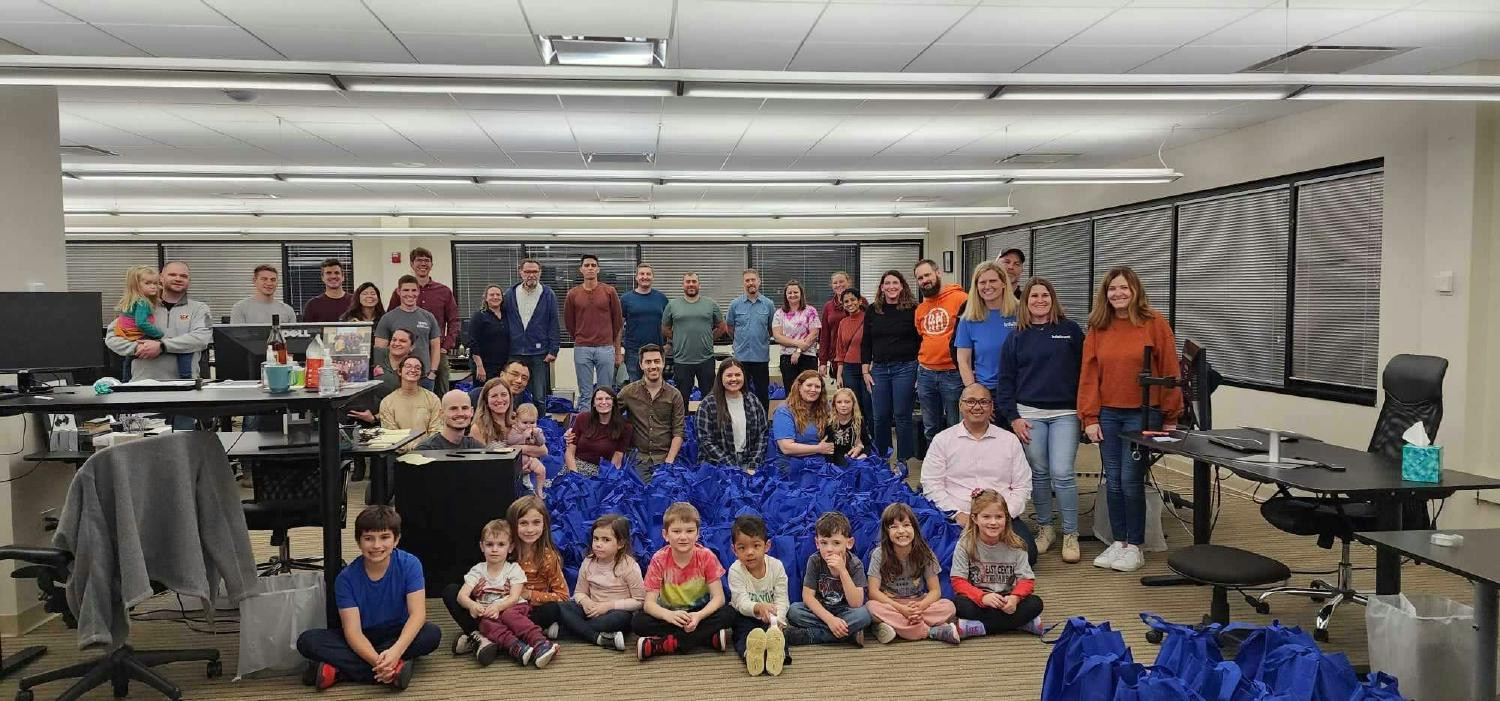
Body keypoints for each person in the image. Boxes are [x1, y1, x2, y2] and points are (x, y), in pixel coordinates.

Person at [1080, 266, 1181, 574]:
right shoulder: (1099, 326)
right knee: (1112, 480)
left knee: (1130, 480)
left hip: (1142, 411)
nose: (1118, 294)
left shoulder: (1154, 323)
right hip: (1109, 413)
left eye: (1124, 288)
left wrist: (1170, 416)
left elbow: (1170, 370)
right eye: (1112, 289)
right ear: (1105, 294)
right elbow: (1089, 374)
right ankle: (1119, 541)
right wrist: (1089, 416)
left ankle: (1135, 545)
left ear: (1135, 290)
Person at [296, 505, 440, 691]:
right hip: (362, 636)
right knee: (307, 641)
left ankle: (340, 672)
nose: (377, 545)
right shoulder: (346, 578)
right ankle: (393, 671)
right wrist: (378, 661)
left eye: (384, 537)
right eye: (368, 539)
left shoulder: (410, 564)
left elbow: (418, 614)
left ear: (396, 540)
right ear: (358, 541)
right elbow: (353, 632)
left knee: (431, 634)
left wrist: (396, 651)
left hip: (396, 632)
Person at [997, 277, 1086, 564]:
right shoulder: (1016, 336)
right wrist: (1013, 418)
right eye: (1034, 296)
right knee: (1039, 473)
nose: (1039, 300)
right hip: (1029, 415)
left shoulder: (1070, 330)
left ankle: (1070, 533)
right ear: (1026, 301)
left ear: (1052, 299)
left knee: (1062, 472)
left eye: (1044, 295)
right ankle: (1046, 528)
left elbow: (1086, 373)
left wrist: (1087, 412)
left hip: (1065, 414)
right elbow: (1005, 381)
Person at [919, 384, 1037, 564]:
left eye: (983, 402)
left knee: (1028, 554)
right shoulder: (942, 440)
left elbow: (1023, 485)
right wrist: (957, 514)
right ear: (960, 405)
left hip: (1000, 518)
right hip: (957, 518)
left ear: (991, 407)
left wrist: (1003, 516)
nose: (977, 407)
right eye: (971, 401)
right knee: (938, 558)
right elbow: (931, 483)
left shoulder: (1009, 440)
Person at [103, 261, 213, 430]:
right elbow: (112, 337)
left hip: (185, 391)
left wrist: (162, 346)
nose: (178, 279)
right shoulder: (141, 304)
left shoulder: (198, 309)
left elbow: (201, 338)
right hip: (143, 389)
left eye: (183, 276)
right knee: (145, 447)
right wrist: (137, 348)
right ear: (161, 278)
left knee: (183, 446)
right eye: (172, 274)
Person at [447, 519, 559, 668]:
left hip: (513, 608)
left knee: (509, 615)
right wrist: (472, 605)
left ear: (510, 547)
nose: (494, 549)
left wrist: (499, 607)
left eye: (501, 545)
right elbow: (461, 596)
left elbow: (514, 597)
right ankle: (516, 647)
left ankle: (540, 643)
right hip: (490, 613)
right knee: (485, 625)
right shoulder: (478, 570)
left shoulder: (513, 569)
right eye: (489, 544)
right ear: (482, 547)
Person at [632, 502, 736, 660]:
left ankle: (664, 644)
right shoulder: (659, 559)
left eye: (689, 531)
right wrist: (668, 615)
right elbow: (649, 604)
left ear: (698, 533)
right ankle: (705, 638)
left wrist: (699, 616)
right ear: (665, 535)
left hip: (699, 613)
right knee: (638, 621)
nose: (683, 537)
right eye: (676, 531)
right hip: (670, 615)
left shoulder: (706, 556)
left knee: (730, 613)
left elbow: (719, 598)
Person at [949, 489, 1046, 638]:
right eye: (986, 517)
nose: (993, 522)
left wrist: (1015, 598)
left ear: (1006, 518)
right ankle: (1020, 623)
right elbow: (958, 581)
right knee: (960, 605)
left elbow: (1027, 580)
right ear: (974, 518)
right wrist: (982, 597)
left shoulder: (1017, 545)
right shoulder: (965, 544)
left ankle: (978, 627)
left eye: (999, 517)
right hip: (980, 600)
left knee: (1036, 603)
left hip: (1007, 599)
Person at [866, 502, 960, 644]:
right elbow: (873, 592)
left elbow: (935, 591)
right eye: (894, 527)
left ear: (915, 528)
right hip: (892, 604)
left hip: (917, 602)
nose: (901, 531)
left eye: (906, 525)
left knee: (949, 606)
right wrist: (902, 609)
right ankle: (931, 631)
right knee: (871, 607)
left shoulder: (925, 553)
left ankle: (893, 627)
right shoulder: (879, 555)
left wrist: (920, 607)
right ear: (886, 531)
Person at [556, 514, 644, 651]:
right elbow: (579, 592)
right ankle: (598, 637)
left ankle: (567, 630)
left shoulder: (629, 566)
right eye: (595, 539)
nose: (598, 544)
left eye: (606, 540)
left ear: (620, 543)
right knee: (560, 607)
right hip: (591, 610)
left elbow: (639, 601)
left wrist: (607, 606)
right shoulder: (588, 562)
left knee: (620, 619)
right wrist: (586, 603)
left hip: (615, 612)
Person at [786, 511, 872, 647]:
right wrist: (830, 620)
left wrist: (843, 571)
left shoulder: (855, 564)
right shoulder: (815, 561)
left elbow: (856, 603)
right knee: (794, 611)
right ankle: (848, 635)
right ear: (817, 543)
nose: (829, 549)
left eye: (836, 543)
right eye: (824, 543)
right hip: (821, 611)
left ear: (849, 543)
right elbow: (808, 597)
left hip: (845, 611)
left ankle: (810, 636)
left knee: (864, 615)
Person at [861, 270, 920, 464]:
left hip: (906, 368)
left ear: (902, 286)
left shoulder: (913, 309)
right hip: (879, 370)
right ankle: (882, 459)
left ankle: (903, 460)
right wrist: (865, 370)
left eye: (895, 282)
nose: (891, 286)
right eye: (887, 283)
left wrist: (920, 369)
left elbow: (921, 341)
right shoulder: (873, 310)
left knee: (902, 415)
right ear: (882, 287)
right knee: (880, 417)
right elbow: (866, 342)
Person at [727, 514, 794, 677]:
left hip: (771, 616)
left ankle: (778, 656)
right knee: (743, 636)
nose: (749, 552)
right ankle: (751, 656)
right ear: (734, 549)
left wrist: (779, 619)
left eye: (756, 546)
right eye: (742, 548)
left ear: (767, 546)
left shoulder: (776, 566)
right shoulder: (735, 570)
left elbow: (782, 598)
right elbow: (741, 602)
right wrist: (758, 607)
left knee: (776, 636)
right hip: (745, 616)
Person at [385, 248, 460, 394]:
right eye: (419, 260)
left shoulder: (444, 291)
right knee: (403, 392)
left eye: (427, 260)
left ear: (432, 265)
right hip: (405, 353)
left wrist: (446, 346)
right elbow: (391, 319)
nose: (423, 264)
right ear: (412, 264)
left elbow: (454, 320)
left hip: (437, 352)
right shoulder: (400, 292)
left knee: (440, 394)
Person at [913, 258, 967, 441]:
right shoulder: (920, 309)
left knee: (956, 425)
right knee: (930, 428)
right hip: (925, 373)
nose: (924, 280)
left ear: (938, 273)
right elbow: (923, 335)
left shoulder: (961, 299)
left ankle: (956, 468)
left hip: (952, 374)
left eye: (927, 275)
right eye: (920, 278)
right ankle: (935, 467)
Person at [615, 344, 685, 479]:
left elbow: (678, 431)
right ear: (641, 365)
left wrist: (669, 463)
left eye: (657, 361)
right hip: (638, 459)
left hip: (665, 458)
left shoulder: (674, 395)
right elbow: (607, 415)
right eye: (648, 362)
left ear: (663, 363)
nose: (653, 366)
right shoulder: (628, 392)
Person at [113, 265, 192, 381]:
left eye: (155, 284)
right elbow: (141, 323)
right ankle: (186, 378)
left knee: (129, 359)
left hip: (128, 334)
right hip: (138, 335)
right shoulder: (143, 303)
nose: (153, 287)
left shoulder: (133, 302)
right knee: (184, 351)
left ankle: (126, 379)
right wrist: (158, 334)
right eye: (148, 283)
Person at [955, 260, 1020, 395]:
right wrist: (975, 394)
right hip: (986, 392)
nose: (987, 286)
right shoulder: (968, 319)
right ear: (976, 286)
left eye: (993, 281)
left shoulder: (1021, 313)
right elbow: (963, 361)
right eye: (982, 282)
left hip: (1019, 391)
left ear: (1003, 283)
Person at [564, 254, 623, 401]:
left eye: (593, 265)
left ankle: (605, 424)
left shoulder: (609, 292)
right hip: (582, 348)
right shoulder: (573, 294)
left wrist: (617, 352)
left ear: (598, 269)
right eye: (587, 265)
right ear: (581, 269)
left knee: (606, 394)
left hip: (605, 348)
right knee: (586, 395)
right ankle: (587, 423)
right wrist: (580, 337)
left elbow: (617, 323)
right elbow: (569, 323)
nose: (590, 268)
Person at [508, 496, 569, 634]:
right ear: (512, 525)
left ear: (544, 525)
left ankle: (509, 633)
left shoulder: (548, 557)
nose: (530, 529)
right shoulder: (503, 551)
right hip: (503, 607)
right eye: (523, 523)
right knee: (454, 592)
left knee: (553, 609)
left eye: (536, 522)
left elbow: (563, 596)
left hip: (532, 612)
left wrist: (529, 594)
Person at [694, 359, 767, 473]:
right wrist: (732, 468)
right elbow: (705, 441)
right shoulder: (708, 404)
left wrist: (753, 465)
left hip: (749, 463)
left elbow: (762, 434)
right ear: (720, 378)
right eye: (729, 375)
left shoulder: (753, 401)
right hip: (717, 467)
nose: (734, 379)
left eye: (738, 375)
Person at [505, 258, 560, 407]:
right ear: (520, 273)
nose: (531, 275)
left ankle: (540, 426)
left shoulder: (548, 294)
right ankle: (512, 426)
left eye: (534, 271)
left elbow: (554, 323)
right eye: (527, 271)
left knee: (539, 396)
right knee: (513, 394)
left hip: (539, 353)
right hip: (515, 351)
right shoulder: (510, 294)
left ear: (540, 273)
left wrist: (553, 350)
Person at [661, 272, 723, 401]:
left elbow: (722, 327)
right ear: (683, 285)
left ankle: (707, 421)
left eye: (694, 282)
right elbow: (665, 328)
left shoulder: (710, 304)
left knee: (710, 398)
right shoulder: (672, 305)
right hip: (682, 360)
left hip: (706, 359)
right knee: (681, 399)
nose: (691, 284)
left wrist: (709, 339)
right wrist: (678, 338)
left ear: (699, 284)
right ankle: (683, 421)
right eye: (688, 282)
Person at [375, 275, 441, 391]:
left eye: (414, 290)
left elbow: (435, 346)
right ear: (398, 291)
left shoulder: (428, 317)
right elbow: (380, 351)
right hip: (397, 377)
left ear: (418, 291)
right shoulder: (388, 318)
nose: (410, 294)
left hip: (424, 377)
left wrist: (432, 372)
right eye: (405, 290)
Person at [726, 268, 776, 409]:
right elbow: (730, 328)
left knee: (762, 394)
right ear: (743, 283)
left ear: (759, 282)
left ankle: (762, 425)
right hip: (740, 358)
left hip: (761, 358)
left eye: (753, 280)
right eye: (747, 280)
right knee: (739, 394)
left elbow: (771, 329)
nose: (750, 283)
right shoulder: (735, 304)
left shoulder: (768, 304)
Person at [348, 327, 415, 425]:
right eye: (394, 340)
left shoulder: (412, 367)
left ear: (411, 347)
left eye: (402, 341)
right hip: (350, 413)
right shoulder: (375, 353)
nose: (396, 343)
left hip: (383, 420)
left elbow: (405, 402)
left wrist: (374, 418)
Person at [770, 370, 833, 468]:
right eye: (809, 385)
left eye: (817, 387)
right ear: (799, 387)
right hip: (792, 464)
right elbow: (786, 448)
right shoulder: (784, 411)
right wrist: (818, 448)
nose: (813, 390)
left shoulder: (825, 408)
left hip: (820, 460)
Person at [565, 387, 633, 476]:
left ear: (613, 403)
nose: (603, 402)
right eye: (599, 399)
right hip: (574, 468)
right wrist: (575, 476)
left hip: (601, 473)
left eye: (608, 399)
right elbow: (570, 453)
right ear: (593, 403)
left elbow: (616, 461)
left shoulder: (625, 427)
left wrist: (604, 482)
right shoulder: (582, 418)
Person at [620, 263, 669, 382]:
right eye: (642, 274)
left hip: (656, 350)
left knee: (656, 385)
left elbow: (670, 324)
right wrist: (619, 349)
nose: (645, 277)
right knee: (635, 387)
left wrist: (669, 344)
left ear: (652, 277)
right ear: (636, 277)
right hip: (633, 351)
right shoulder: (626, 299)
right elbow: (619, 326)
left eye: (648, 274)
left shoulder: (661, 298)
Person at [377, 356, 442, 443]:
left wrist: (423, 449)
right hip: (398, 453)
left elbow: (436, 431)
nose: (413, 370)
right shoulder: (387, 402)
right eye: (408, 366)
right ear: (400, 371)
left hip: (427, 452)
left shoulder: (432, 399)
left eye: (417, 368)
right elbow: (390, 436)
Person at [772, 280, 821, 388]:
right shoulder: (779, 313)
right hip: (787, 358)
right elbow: (778, 337)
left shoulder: (811, 311)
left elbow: (814, 334)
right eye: (789, 293)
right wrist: (798, 343)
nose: (792, 295)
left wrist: (799, 350)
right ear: (785, 295)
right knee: (791, 393)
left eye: (795, 292)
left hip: (808, 357)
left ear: (801, 294)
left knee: (810, 390)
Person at [833, 288, 870, 430]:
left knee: (869, 406)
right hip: (849, 369)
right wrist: (839, 374)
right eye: (846, 301)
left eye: (853, 300)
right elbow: (840, 350)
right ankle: (856, 439)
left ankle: (871, 441)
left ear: (860, 301)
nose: (850, 303)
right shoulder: (843, 323)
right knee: (853, 407)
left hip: (867, 368)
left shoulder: (869, 318)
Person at [468, 285, 509, 387]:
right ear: (485, 298)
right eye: (491, 295)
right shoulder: (479, 316)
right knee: (484, 396)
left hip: (503, 366)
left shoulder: (507, 316)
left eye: (498, 294)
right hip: (485, 367)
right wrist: (480, 366)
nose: (495, 297)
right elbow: (473, 342)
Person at [415, 390, 484, 450]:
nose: (460, 413)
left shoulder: (476, 447)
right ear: (441, 414)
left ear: (472, 412)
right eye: (453, 409)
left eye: (464, 408)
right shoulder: (427, 449)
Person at [817, 271, 855, 379]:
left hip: (857, 356)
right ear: (831, 285)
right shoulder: (828, 307)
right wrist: (823, 362)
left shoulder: (860, 302)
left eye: (841, 281)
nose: (838, 285)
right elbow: (824, 336)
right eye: (835, 283)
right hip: (837, 357)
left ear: (849, 282)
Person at [230, 263, 297, 324]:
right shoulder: (240, 308)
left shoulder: (288, 311)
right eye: (264, 279)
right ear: (254, 281)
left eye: (273, 280)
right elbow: (236, 336)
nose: (269, 283)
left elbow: (293, 336)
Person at [506, 403, 549, 495]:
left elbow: (541, 443)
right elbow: (510, 441)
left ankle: (539, 489)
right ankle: (525, 485)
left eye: (532, 422)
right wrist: (522, 437)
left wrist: (538, 435)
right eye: (525, 423)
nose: (529, 426)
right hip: (518, 459)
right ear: (517, 421)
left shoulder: (536, 430)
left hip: (530, 459)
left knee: (541, 470)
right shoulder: (514, 430)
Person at [824, 387, 867, 466]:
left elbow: (867, 444)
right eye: (839, 402)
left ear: (853, 403)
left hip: (854, 458)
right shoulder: (829, 423)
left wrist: (863, 452)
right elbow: (828, 448)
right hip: (834, 461)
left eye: (847, 402)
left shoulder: (858, 422)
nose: (843, 405)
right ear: (834, 405)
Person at [302, 258, 351, 322]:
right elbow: (307, 330)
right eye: (328, 273)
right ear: (322, 278)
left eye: (337, 273)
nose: (333, 276)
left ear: (343, 277)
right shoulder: (312, 305)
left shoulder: (355, 302)